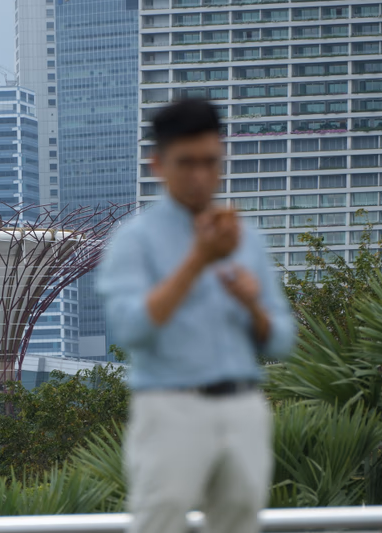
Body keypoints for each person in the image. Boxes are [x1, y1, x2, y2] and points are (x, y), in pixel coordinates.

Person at [97, 98, 296, 533]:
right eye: (186, 163)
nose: (200, 176)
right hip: (170, 406)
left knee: (240, 522)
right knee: (160, 521)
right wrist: (198, 260)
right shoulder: (133, 241)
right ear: (158, 165)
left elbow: (282, 340)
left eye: (210, 162)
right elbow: (132, 330)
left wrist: (251, 304)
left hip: (244, 404)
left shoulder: (249, 240)